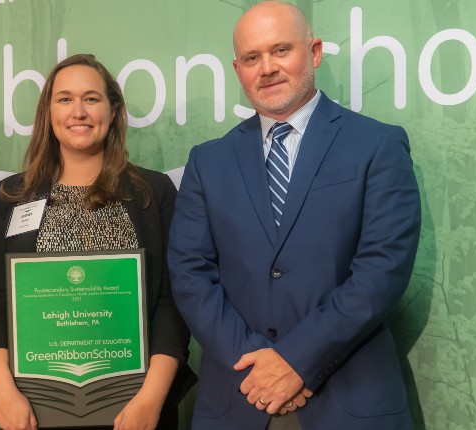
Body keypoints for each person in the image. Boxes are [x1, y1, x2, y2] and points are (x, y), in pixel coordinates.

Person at [167, 2, 421, 429]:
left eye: (281, 50)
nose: (266, 68)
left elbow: (382, 270)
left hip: (351, 401)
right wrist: (258, 371)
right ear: (237, 69)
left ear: (315, 52)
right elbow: (190, 274)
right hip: (238, 398)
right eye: (252, 58)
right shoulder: (208, 162)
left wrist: (296, 361)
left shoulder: (377, 145)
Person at [0, 53, 195, 430]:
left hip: (136, 408)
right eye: (65, 99)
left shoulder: (154, 193)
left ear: (113, 110)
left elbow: (171, 302)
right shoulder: (10, 196)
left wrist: (151, 400)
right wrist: (3, 393)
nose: (78, 111)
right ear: (48, 112)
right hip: (34, 408)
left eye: (91, 98)